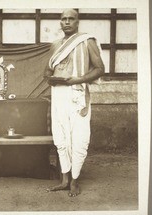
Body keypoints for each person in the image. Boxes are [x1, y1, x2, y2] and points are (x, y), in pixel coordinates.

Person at [44, 9, 105, 197]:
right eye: (64, 19)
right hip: (58, 94)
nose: (67, 22)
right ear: (60, 23)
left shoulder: (87, 41)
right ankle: (64, 180)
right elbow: (47, 71)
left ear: (77, 22)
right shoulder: (55, 45)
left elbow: (100, 69)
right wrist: (51, 79)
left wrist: (77, 80)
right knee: (61, 137)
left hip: (77, 94)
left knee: (78, 138)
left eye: (71, 19)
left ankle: (75, 181)